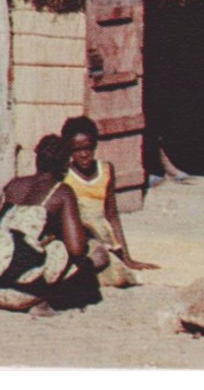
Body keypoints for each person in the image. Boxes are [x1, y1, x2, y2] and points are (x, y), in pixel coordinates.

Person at [0, 135, 102, 315]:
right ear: (65, 165)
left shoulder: (13, 185)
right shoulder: (62, 192)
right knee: (85, 254)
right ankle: (44, 300)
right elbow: (77, 249)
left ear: (37, 160)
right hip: (23, 293)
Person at [60, 115, 156, 287]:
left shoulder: (106, 169)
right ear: (69, 150)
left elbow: (112, 215)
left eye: (88, 148)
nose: (83, 154)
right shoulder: (63, 174)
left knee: (120, 276)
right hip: (79, 240)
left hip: (104, 239)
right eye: (77, 150)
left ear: (95, 145)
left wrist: (127, 257)